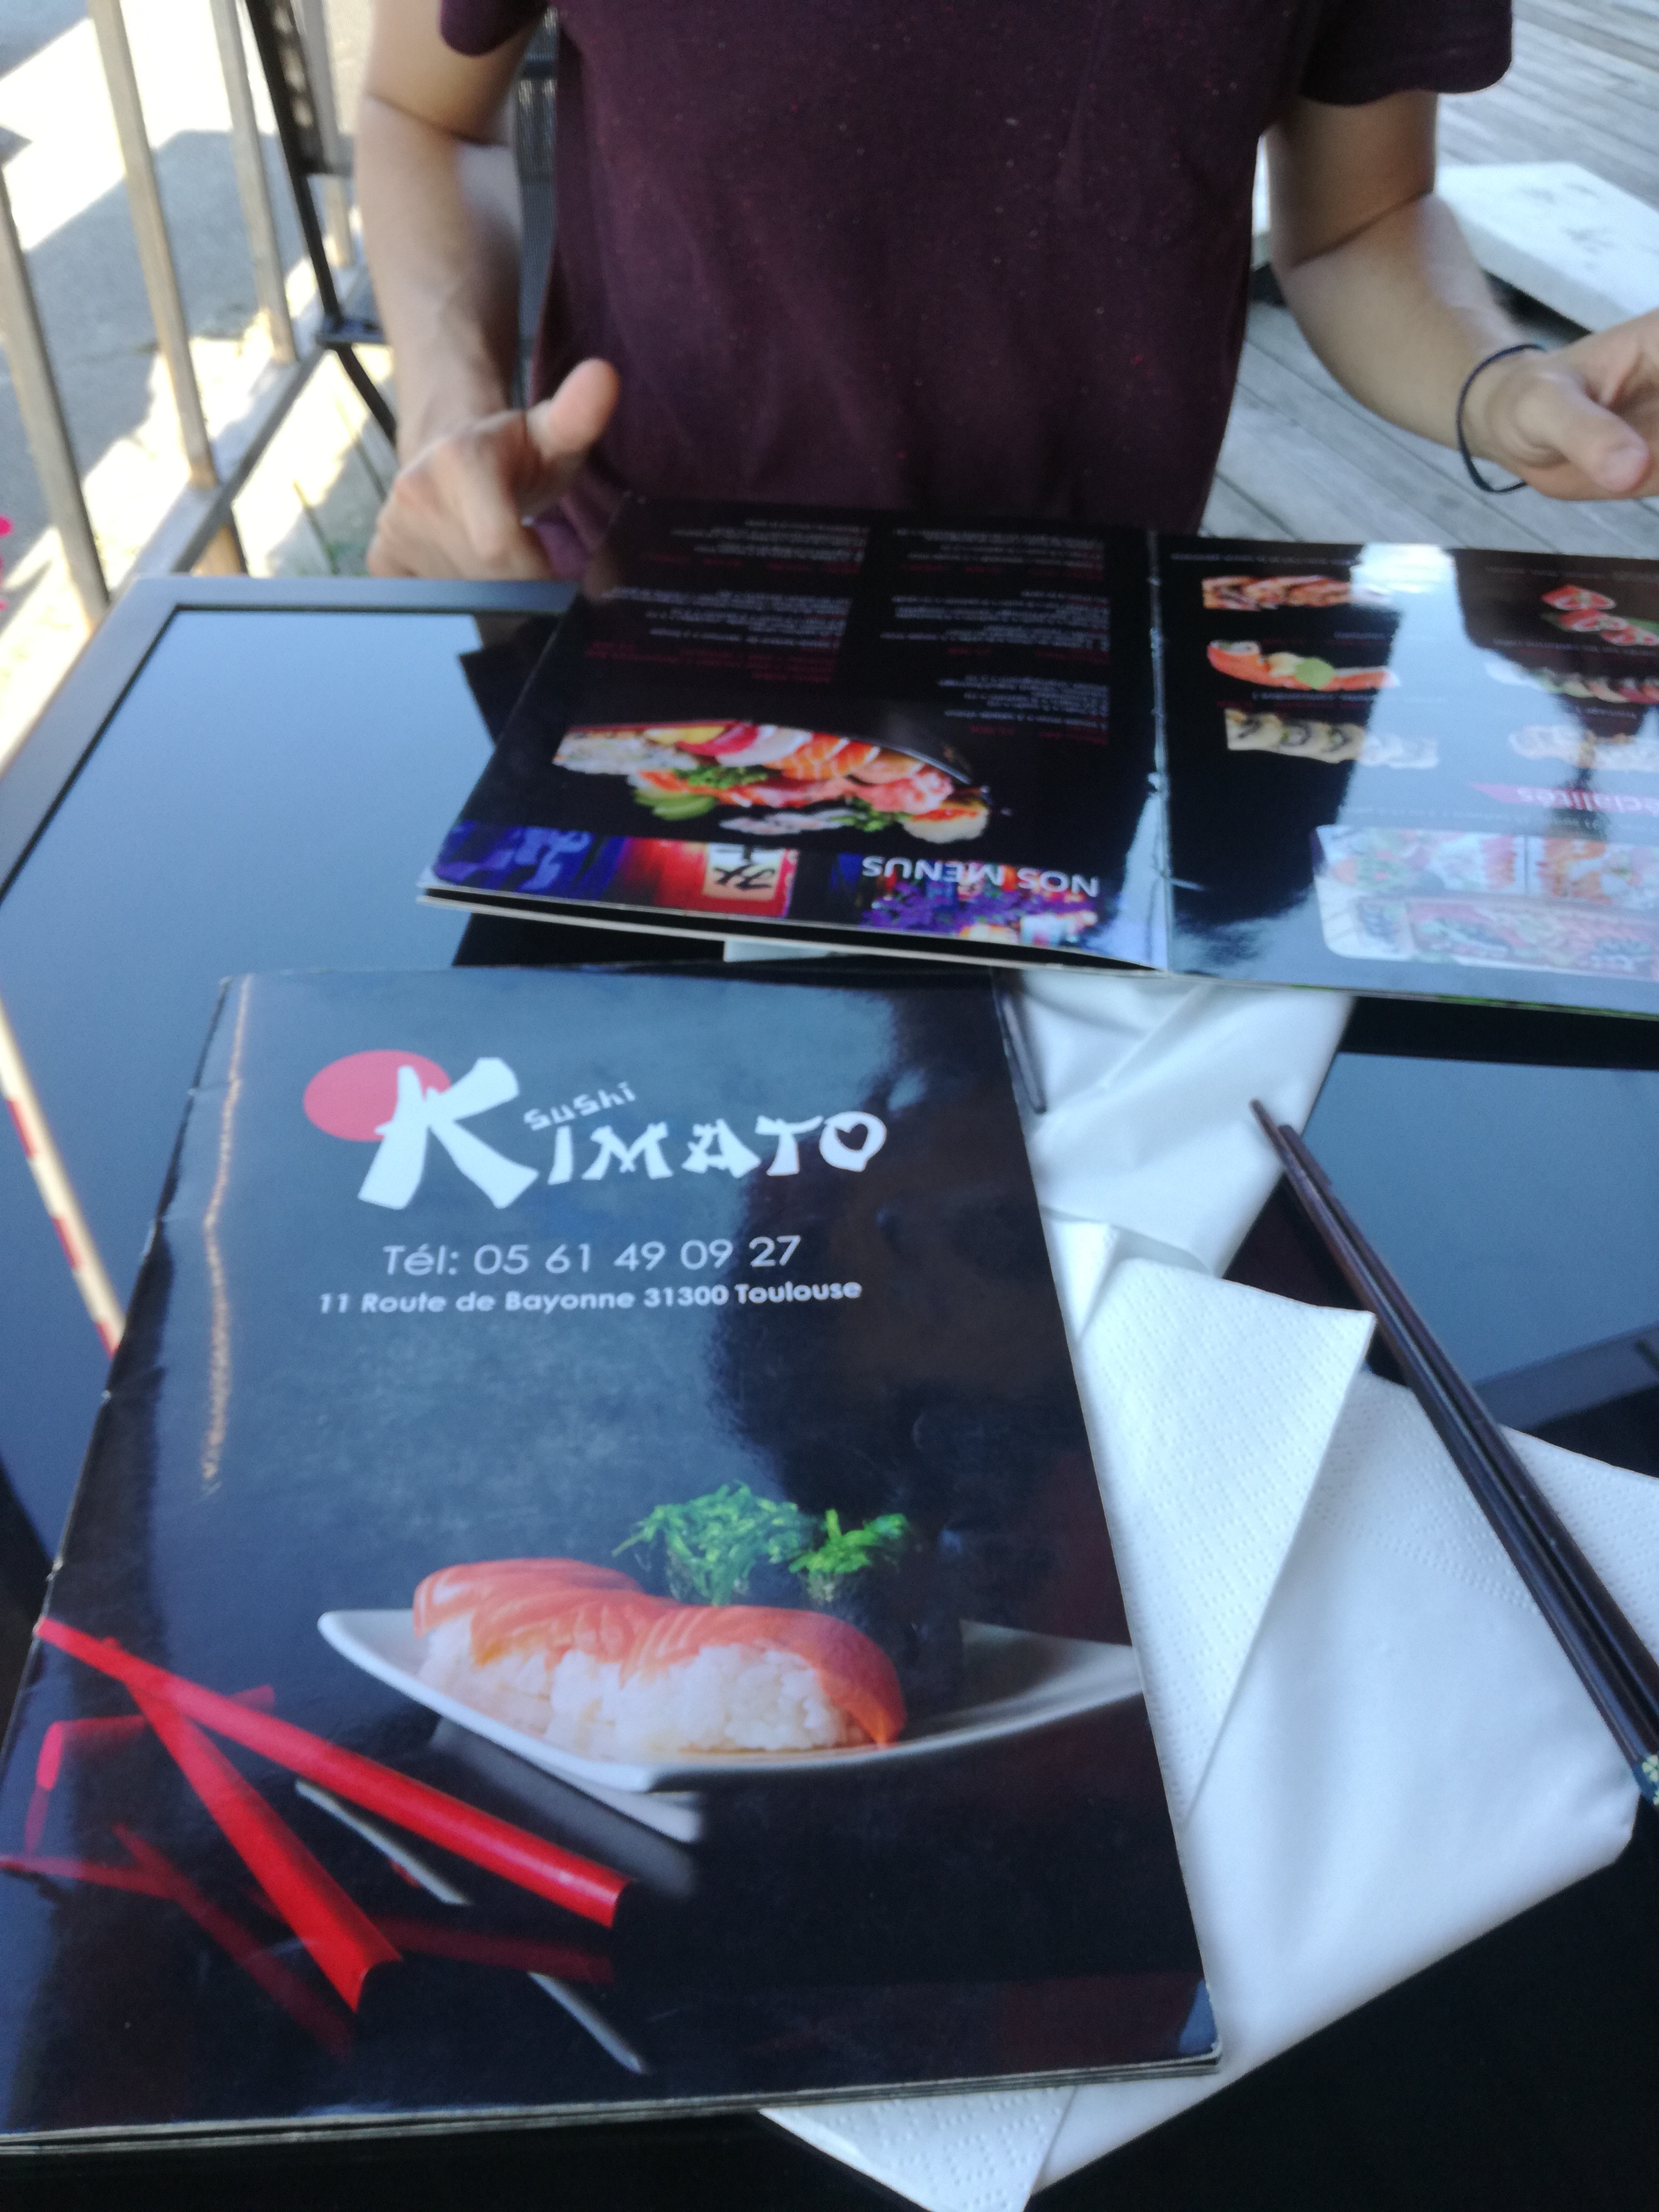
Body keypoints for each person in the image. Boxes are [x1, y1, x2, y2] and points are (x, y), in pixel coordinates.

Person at [356, 1, 1659, 582]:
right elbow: (425, 112)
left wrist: (1500, 385)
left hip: (1085, 656)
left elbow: (1361, 221)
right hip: (643, 617)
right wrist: (448, 417)